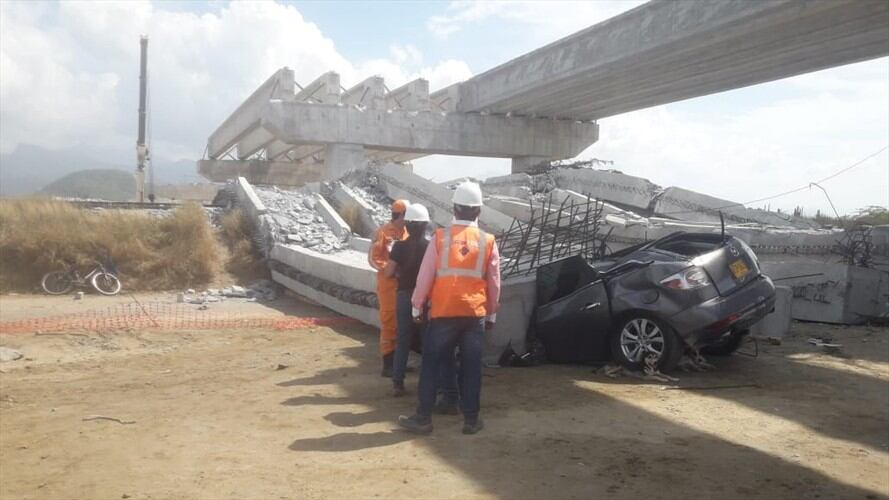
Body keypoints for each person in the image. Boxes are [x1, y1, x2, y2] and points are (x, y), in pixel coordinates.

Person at [398, 181, 501, 435]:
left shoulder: (441, 238)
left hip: (443, 312)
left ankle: (423, 418)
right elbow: (495, 281)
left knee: (431, 364)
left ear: (454, 208)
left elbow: (425, 276)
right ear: (478, 211)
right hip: (474, 313)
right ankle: (471, 420)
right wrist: (492, 312)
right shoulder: (488, 241)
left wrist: (416, 305)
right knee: (472, 367)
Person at [384, 203, 431, 397]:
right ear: (426, 224)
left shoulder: (399, 246)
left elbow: (388, 272)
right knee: (428, 340)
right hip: (426, 297)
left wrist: (399, 276)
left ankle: (398, 383)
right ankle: (427, 383)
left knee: (403, 339)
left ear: (408, 224)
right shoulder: (430, 247)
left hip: (404, 296)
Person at [368, 199, 409, 377]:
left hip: (404, 286)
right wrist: (390, 270)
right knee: (389, 323)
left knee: (403, 325)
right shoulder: (383, 233)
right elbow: (373, 258)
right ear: (400, 215)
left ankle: (399, 363)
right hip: (388, 286)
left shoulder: (408, 233)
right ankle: (388, 363)